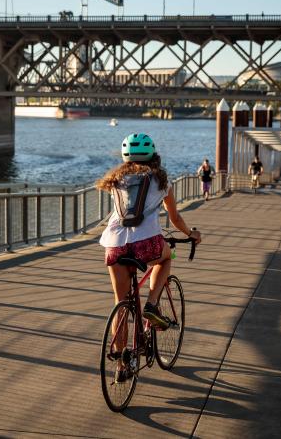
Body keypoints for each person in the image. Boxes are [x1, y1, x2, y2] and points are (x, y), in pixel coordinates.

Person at [97, 133, 201, 381]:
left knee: (120, 303)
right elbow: (174, 218)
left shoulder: (116, 179)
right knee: (166, 257)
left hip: (114, 245)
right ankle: (152, 304)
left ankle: (122, 364)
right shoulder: (161, 180)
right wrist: (191, 234)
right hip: (147, 243)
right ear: (154, 155)